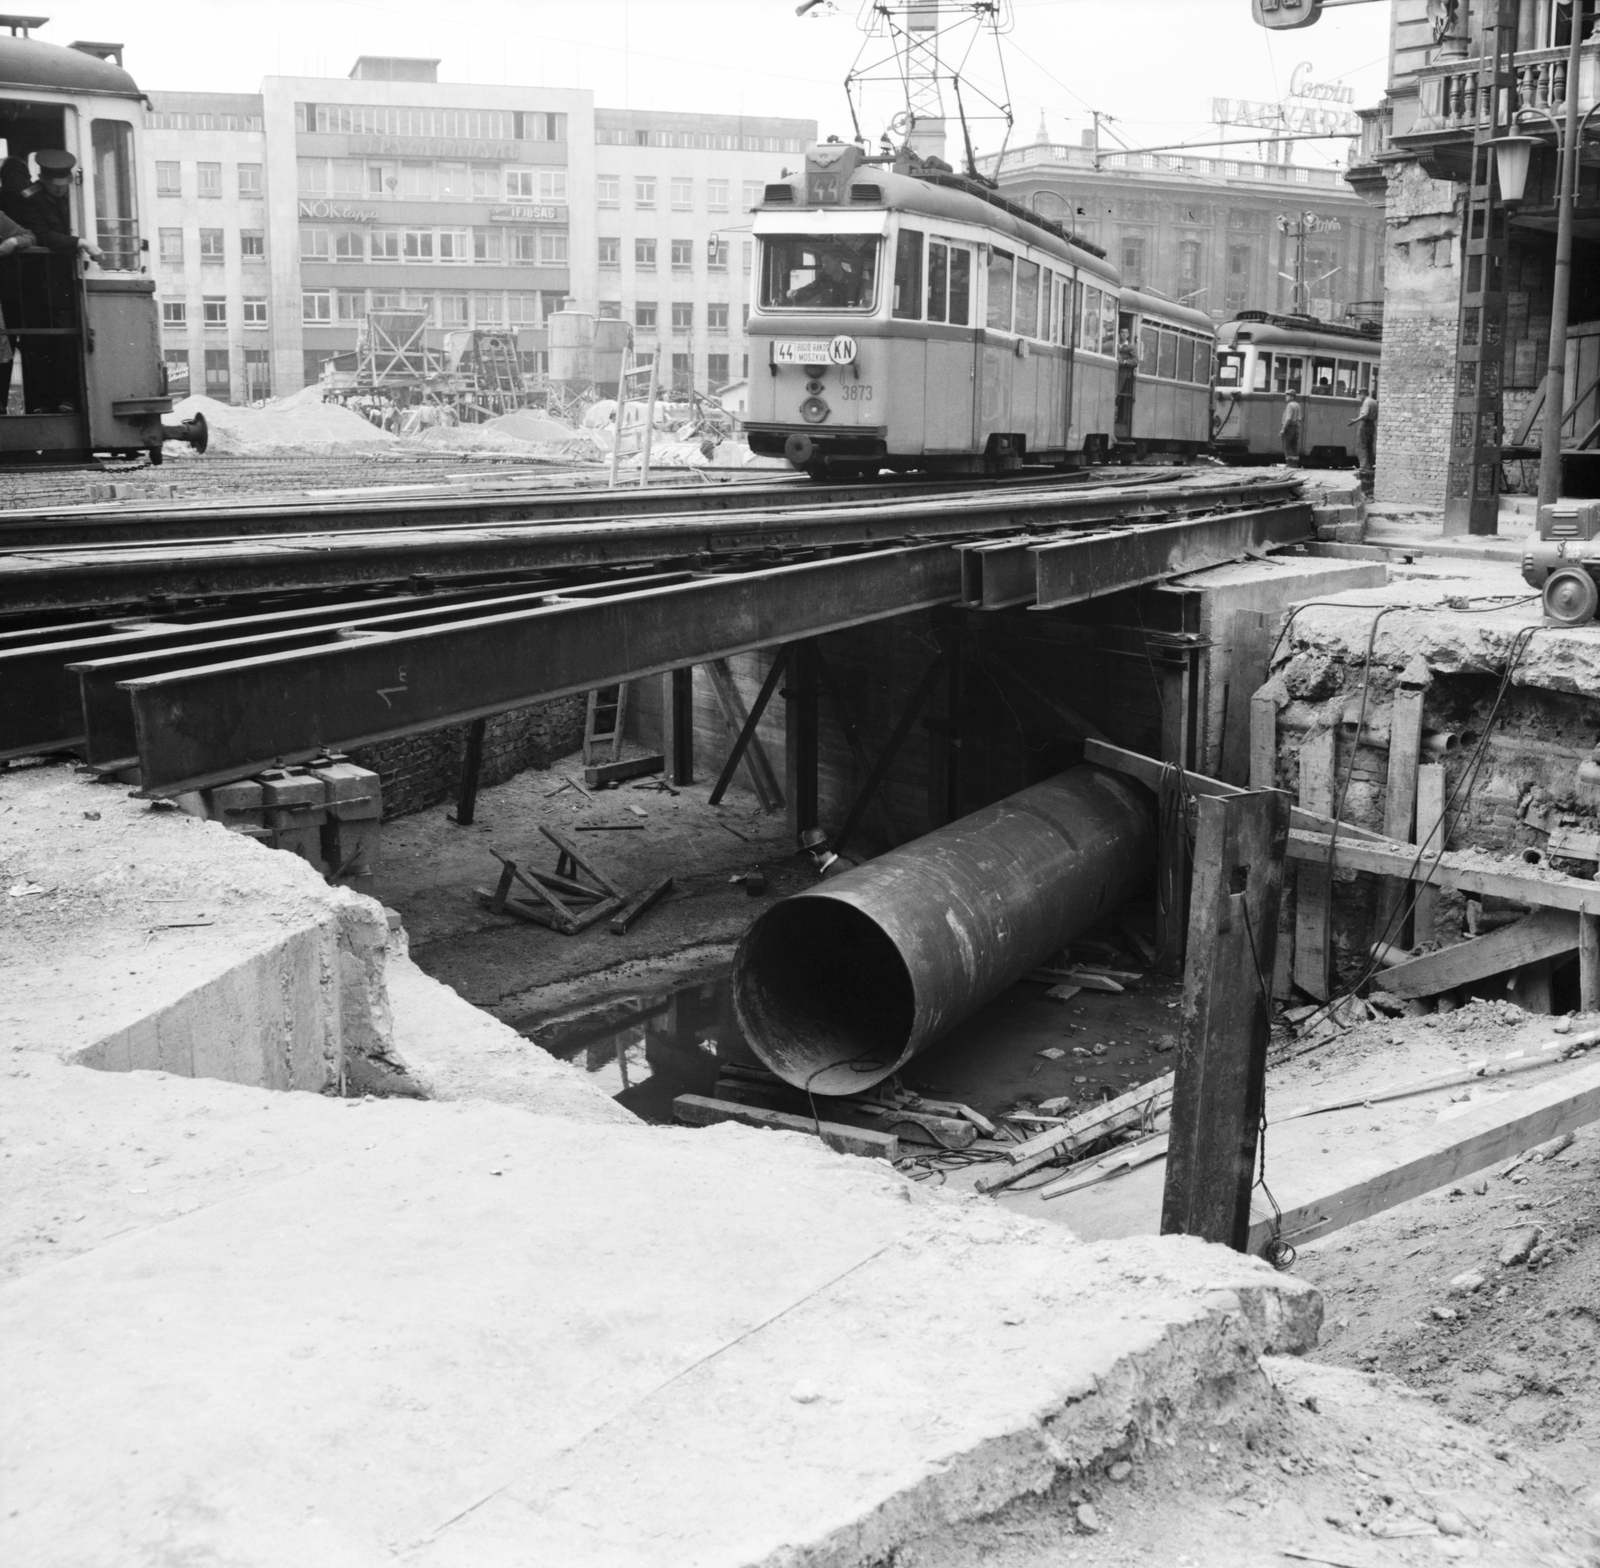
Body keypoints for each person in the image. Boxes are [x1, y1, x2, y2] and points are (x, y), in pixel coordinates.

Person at [16, 150, 101, 413]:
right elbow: (42, 235)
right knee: (40, 344)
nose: (60, 190)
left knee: (65, 344)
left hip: (64, 284)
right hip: (39, 283)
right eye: (54, 186)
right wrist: (81, 243)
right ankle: (43, 402)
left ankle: (66, 399)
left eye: (63, 185)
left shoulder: (75, 197)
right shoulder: (30, 200)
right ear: (42, 178)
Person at [792, 250, 861, 310]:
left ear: (838, 261)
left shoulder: (854, 280)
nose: (824, 266)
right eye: (823, 263)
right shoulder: (823, 280)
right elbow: (810, 290)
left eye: (827, 262)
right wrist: (797, 293)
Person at [1349, 390, 1378, 475]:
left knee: (1362, 446)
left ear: (1363, 394)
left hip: (1365, 424)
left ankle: (1363, 467)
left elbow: (1365, 414)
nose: (1359, 397)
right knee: (1369, 446)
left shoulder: (1366, 402)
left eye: (1359, 395)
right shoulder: (1374, 402)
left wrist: (1355, 420)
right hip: (1372, 424)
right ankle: (1369, 466)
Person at [1281, 391, 1303, 467]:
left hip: (1289, 427)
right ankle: (1295, 463)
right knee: (1294, 445)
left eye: (1288, 396)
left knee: (1287, 445)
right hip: (1296, 427)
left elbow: (1288, 418)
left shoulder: (1290, 405)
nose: (1286, 397)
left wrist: (1283, 428)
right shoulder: (1297, 405)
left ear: (1292, 397)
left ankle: (1289, 463)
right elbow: (1300, 418)